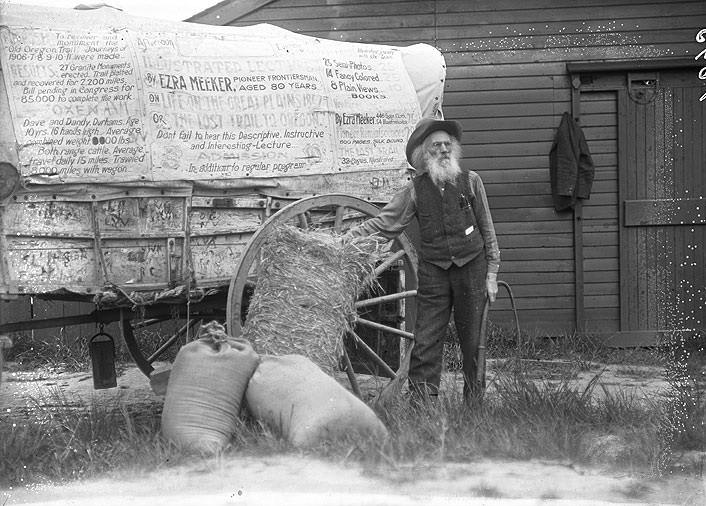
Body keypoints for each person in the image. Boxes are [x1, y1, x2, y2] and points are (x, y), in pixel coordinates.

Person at [348, 118, 500, 403]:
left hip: (472, 267)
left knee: (473, 341)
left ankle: (474, 404)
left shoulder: (471, 181)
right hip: (434, 271)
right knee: (426, 339)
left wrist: (492, 273)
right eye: (436, 146)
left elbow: (488, 230)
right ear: (423, 154)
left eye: (447, 145)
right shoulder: (414, 191)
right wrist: (345, 239)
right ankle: (422, 405)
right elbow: (384, 224)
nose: (444, 150)